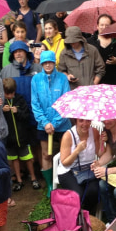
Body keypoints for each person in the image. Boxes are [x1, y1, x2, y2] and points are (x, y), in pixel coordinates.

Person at [31, 51, 71, 197]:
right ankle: (50, 185)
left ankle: (66, 182)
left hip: (62, 123)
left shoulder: (62, 79)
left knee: (66, 153)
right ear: (41, 63)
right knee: (46, 155)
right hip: (44, 125)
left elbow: (66, 103)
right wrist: (45, 122)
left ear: (55, 63)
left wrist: (55, 122)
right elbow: (35, 104)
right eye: (45, 62)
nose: (48, 64)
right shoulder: (36, 80)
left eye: (50, 62)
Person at [1, 77, 39, 194]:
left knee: (28, 158)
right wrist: (2, 110)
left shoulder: (20, 99)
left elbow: (26, 115)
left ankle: (33, 178)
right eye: (7, 94)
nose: (10, 96)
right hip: (9, 138)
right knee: (14, 159)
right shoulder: (1, 102)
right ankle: (19, 180)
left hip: (22, 136)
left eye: (12, 93)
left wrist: (18, 112)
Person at [58, 118, 100, 213]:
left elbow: (100, 153)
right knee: (78, 194)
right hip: (69, 170)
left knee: (94, 191)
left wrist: (103, 141)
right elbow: (64, 162)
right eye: (81, 121)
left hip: (88, 169)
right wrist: (77, 151)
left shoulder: (94, 132)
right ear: (75, 121)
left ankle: (88, 215)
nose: (85, 124)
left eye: (88, 121)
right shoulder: (68, 135)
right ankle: (73, 215)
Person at [88, 14, 116, 86]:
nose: (104, 27)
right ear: (97, 26)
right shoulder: (89, 42)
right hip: (95, 81)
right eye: (102, 25)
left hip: (115, 81)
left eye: (107, 25)